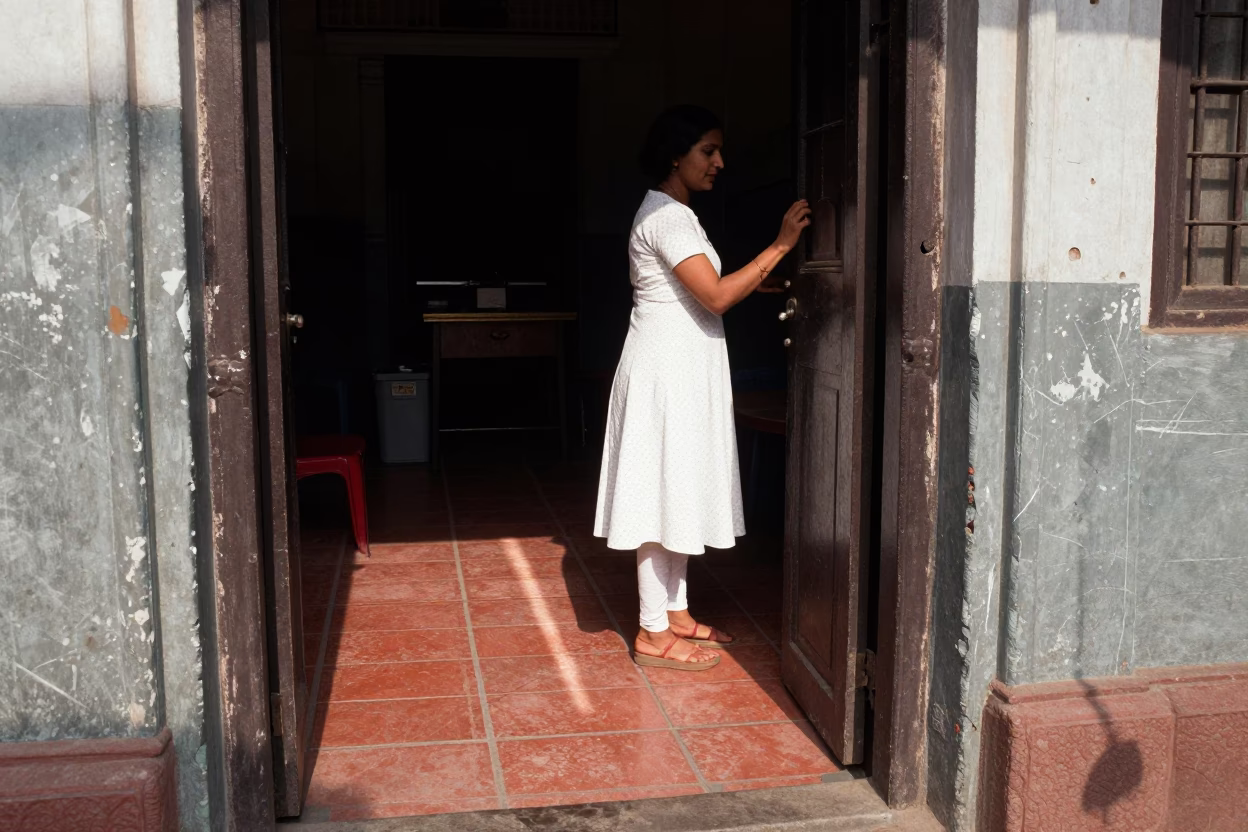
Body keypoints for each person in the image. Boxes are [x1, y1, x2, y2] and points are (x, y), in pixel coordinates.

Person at [593, 105, 810, 670]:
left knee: (678, 484)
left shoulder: (677, 214)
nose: (719, 162)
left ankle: (677, 612)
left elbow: (704, 289)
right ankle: (649, 628)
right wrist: (781, 245)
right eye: (706, 151)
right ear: (675, 155)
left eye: (719, 151)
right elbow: (713, 296)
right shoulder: (666, 218)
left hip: (682, 370)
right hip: (665, 373)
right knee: (656, 493)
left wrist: (752, 283)